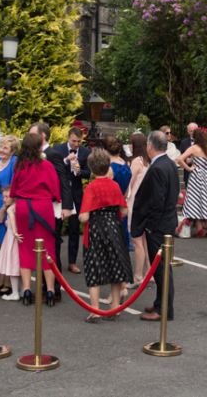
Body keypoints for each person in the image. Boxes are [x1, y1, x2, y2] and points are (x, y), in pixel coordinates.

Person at [80, 148, 133, 322]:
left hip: (96, 227)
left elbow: (84, 217)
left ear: (91, 168)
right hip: (114, 227)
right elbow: (124, 211)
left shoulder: (91, 187)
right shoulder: (115, 185)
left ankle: (95, 310)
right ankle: (115, 308)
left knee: (94, 267)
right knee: (115, 265)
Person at [11, 132, 62, 307]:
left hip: (24, 207)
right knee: (47, 249)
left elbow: (13, 191)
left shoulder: (19, 165)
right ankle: (49, 290)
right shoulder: (46, 165)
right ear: (40, 147)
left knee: (25, 248)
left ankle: (26, 289)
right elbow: (56, 191)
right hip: (43, 207)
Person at [131, 131, 178, 322]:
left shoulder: (159, 166)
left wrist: (150, 226)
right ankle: (161, 303)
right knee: (162, 268)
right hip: (166, 221)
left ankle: (163, 309)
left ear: (150, 146)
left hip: (159, 225)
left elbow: (157, 200)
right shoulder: (168, 163)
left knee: (161, 269)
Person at [28, 121, 71, 302]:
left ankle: (55, 289)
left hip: (53, 209)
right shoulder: (34, 155)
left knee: (52, 248)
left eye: (32, 134)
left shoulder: (53, 155)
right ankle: (46, 286)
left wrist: (67, 206)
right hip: (39, 208)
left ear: (42, 136)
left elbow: (63, 180)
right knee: (42, 248)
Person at [99, 135, 132, 304]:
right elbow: (126, 193)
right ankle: (121, 288)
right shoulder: (125, 165)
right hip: (122, 209)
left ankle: (118, 291)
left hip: (110, 212)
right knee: (119, 251)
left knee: (111, 253)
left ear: (105, 150)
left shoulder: (108, 169)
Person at [56, 127, 90, 275]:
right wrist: (65, 161)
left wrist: (78, 172)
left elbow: (88, 173)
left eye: (79, 141)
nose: (76, 144)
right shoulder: (58, 149)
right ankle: (54, 261)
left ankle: (72, 262)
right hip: (60, 194)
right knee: (57, 227)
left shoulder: (85, 152)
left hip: (76, 194)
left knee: (74, 229)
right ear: (68, 138)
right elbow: (52, 169)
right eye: (74, 141)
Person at [177, 127, 207, 238]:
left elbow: (180, 159)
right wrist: (205, 167)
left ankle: (199, 229)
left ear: (194, 138)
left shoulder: (193, 148)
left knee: (196, 200)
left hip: (196, 176)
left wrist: (189, 169)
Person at [126, 132, 151, 288]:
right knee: (143, 240)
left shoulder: (136, 161)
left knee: (136, 241)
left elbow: (129, 184)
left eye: (130, 143)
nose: (128, 146)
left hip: (133, 203)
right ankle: (149, 272)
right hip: (144, 202)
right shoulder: (148, 160)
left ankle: (138, 276)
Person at [0, 188, 23, 301]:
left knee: (12, 265)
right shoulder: (19, 205)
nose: (4, 199)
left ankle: (15, 292)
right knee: (19, 265)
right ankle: (21, 290)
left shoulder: (11, 209)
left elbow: (13, 220)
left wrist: (14, 231)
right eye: (3, 197)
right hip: (16, 238)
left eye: (6, 197)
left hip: (12, 238)